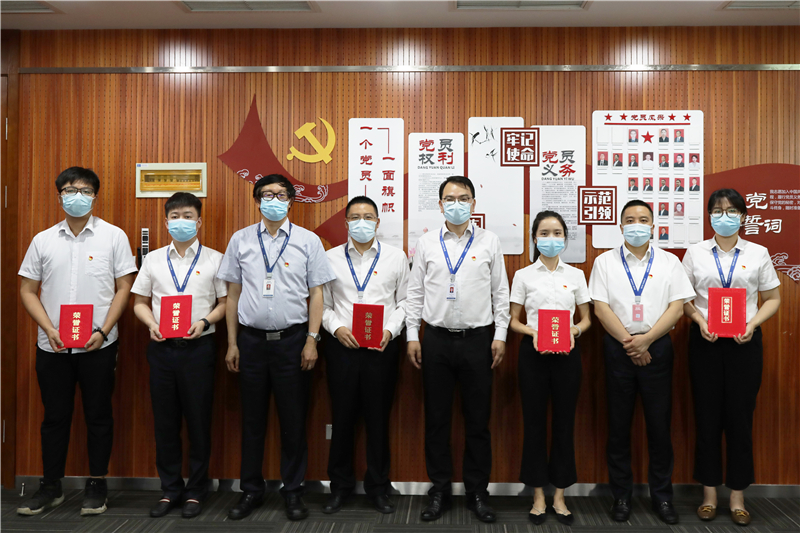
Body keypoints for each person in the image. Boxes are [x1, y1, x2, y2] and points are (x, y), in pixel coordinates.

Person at [16, 167, 137, 517]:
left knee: (98, 414)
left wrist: (104, 330)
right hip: (52, 345)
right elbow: (27, 290)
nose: (77, 196)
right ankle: (50, 486)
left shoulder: (113, 236)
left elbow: (124, 287)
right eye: (69, 190)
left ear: (95, 196)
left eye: (84, 190)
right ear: (59, 196)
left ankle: (97, 484)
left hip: (100, 343)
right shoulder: (43, 240)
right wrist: (49, 328)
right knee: (54, 417)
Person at [217, 174, 336, 521]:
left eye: (281, 194)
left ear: (291, 201)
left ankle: (293, 492)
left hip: (293, 342)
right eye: (267, 194)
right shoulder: (240, 240)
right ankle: (251, 491)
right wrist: (232, 343)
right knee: (252, 421)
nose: (274, 200)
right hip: (251, 343)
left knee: (293, 421)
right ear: (257, 201)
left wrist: (312, 340)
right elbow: (233, 294)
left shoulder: (308, 241)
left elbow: (317, 294)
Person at [406, 176, 510, 524]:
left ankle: (477, 492)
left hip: (478, 340)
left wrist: (500, 334)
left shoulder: (489, 241)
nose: (456, 204)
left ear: (473, 203)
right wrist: (412, 335)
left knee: (478, 422)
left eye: (463, 198)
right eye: (449, 199)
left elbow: (500, 292)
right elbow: (415, 293)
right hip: (435, 340)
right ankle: (439, 490)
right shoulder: (426, 243)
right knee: (436, 420)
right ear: (440, 205)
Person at [588, 200, 695, 525]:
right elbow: (601, 308)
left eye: (643, 219)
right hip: (618, 348)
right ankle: (621, 496)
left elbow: (677, 307)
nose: (637, 224)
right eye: (630, 220)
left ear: (653, 226)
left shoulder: (669, 262)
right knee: (618, 426)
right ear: (621, 226)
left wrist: (647, 340)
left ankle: (662, 497)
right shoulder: (605, 262)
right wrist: (632, 343)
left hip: (657, 348)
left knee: (659, 427)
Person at [682, 189, 780, 526]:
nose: (724, 216)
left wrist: (752, 324)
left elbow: (772, 298)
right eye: (717, 210)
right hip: (705, 342)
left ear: (743, 216)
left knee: (740, 418)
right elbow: (683, 299)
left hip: (744, 344)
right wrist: (699, 320)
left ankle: (737, 496)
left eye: (732, 211)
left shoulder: (758, 253)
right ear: (709, 215)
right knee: (707, 417)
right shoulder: (695, 253)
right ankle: (709, 495)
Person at [131, 193, 227, 519]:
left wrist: (205, 322)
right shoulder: (153, 260)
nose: (181, 221)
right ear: (166, 221)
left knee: (199, 421)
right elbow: (139, 302)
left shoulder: (215, 259)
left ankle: (196, 491)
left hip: (199, 349)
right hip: (162, 350)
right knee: (165, 422)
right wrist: (151, 324)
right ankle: (170, 489)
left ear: (198, 222)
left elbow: (225, 303)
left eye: (188, 216)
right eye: (175, 216)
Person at [321, 196, 408, 515]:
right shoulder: (329, 258)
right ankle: (339, 487)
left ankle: (378, 487)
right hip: (341, 348)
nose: (362, 222)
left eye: (368, 217)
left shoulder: (396, 257)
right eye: (355, 217)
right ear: (346, 223)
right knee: (342, 419)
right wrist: (336, 328)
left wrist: (390, 331)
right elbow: (323, 305)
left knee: (378, 420)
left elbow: (405, 302)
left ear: (377, 223)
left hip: (381, 349)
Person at [509, 211, 591, 526]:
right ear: (535, 238)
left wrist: (574, 331)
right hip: (533, 356)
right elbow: (513, 320)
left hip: (567, 356)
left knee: (564, 424)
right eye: (544, 233)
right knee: (534, 424)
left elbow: (586, 318)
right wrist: (532, 332)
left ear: (565, 238)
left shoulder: (576, 275)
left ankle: (559, 496)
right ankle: (538, 496)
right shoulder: (524, 275)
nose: (551, 239)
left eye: (557, 233)